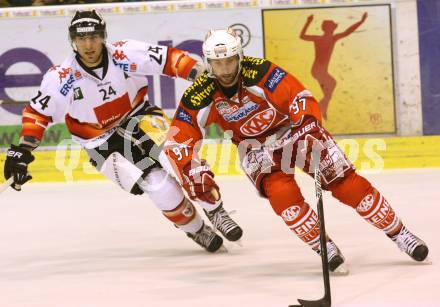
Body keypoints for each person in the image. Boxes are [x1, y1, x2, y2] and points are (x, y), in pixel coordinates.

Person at [164, 28, 429, 272]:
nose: (224, 69)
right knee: (282, 196)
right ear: (208, 63)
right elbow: (178, 141)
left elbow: (298, 97)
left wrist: (308, 123)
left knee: (347, 185)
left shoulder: (260, 72)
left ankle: (400, 234)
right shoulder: (199, 95)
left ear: (240, 57)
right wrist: (191, 169)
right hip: (254, 147)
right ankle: (323, 247)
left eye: (230, 61)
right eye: (218, 63)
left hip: (294, 131)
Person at [3, 11, 243, 253]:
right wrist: (22, 152)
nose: (88, 45)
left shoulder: (125, 52)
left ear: (103, 36)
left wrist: (207, 77)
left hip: (139, 116)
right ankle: (195, 228)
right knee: (157, 184)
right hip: (98, 141)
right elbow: (37, 114)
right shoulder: (61, 77)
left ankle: (216, 211)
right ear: (72, 40)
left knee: (177, 155)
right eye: (81, 38)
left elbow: (170, 60)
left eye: (94, 37)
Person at [299, 13, 368, 119]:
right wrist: (361, 21)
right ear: (329, 29)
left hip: (318, 70)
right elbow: (302, 36)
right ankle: (320, 106)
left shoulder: (327, 38)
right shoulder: (327, 38)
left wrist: (361, 22)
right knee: (330, 87)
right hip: (318, 70)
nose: (334, 29)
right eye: (333, 27)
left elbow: (347, 32)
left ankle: (322, 107)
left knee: (330, 87)